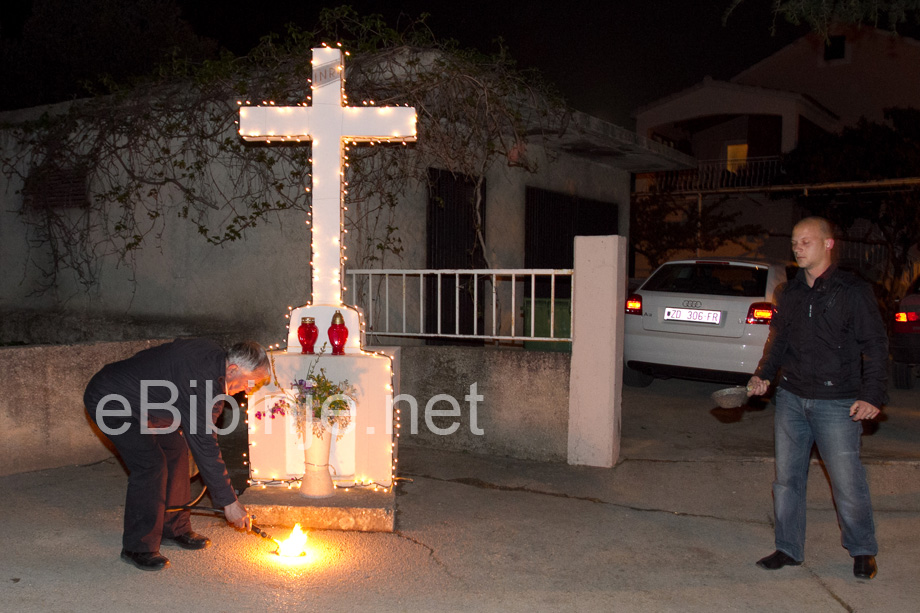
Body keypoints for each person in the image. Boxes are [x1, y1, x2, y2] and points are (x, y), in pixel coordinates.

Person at [747, 217, 887, 580]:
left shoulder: (852, 291)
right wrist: (763, 376)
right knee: (787, 481)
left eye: (806, 241)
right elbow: (778, 341)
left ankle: (862, 550)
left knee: (846, 480)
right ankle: (788, 548)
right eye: (794, 241)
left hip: (837, 402)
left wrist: (872, 395)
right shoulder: (789, 293)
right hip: (792, 398)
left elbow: (875, 345)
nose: (797, 247)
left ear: (828, 244)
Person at [84, 338, 271, 571]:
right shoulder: (203, 381)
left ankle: (174, 528)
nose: (248, 390)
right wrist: (229, 502)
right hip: (112, 400)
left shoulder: (214, 364)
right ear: (233, 369)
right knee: (151, 465)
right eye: (250, 382)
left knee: (176, 450)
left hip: (149, 406)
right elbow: (205, 444)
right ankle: (138, 546)